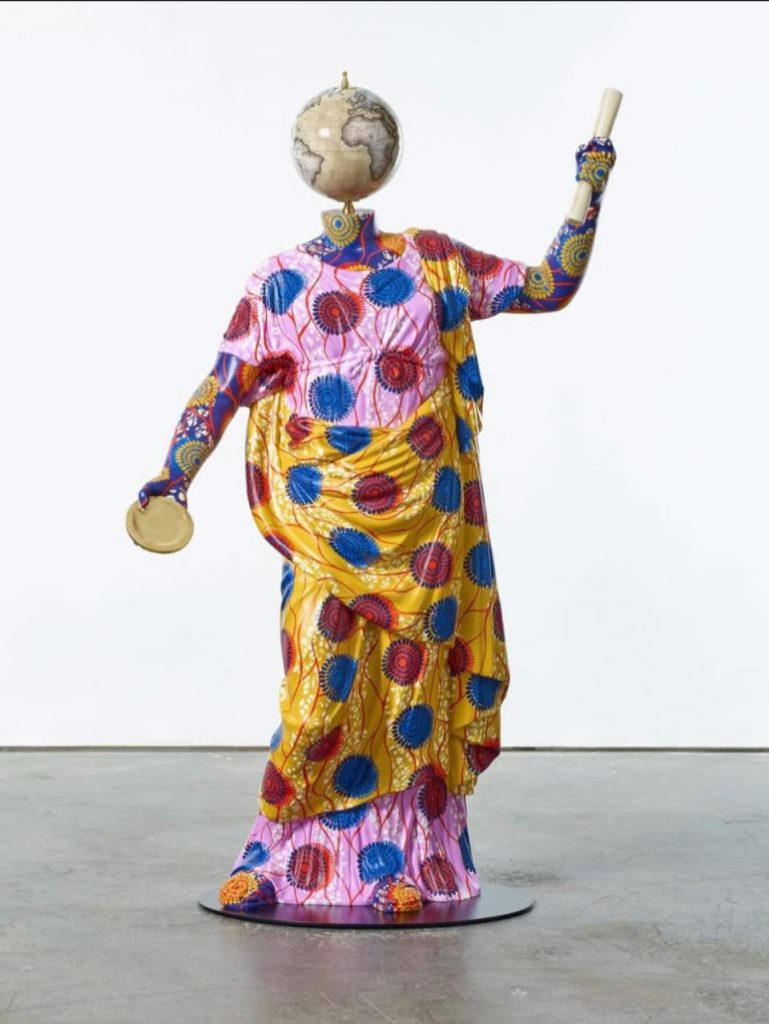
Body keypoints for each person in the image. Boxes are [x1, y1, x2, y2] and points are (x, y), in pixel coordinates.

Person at [135, 136, 616, 914]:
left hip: (425, 523)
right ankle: (281, 857)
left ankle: (407, 861)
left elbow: (546, 285)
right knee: (315, 688)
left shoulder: (434, 262)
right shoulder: (281, 281)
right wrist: (171, 475)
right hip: (323, 520)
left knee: (409, 690)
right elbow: (222, 384)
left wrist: (588, 190)